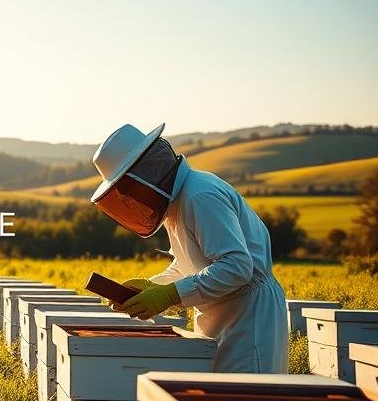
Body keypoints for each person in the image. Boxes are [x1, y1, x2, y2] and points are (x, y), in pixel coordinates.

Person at [89, 123, 288, 373]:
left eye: (129, 189)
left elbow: (237, 266)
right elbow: (190, 264)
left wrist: (169, 294)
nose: (132, 198)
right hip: (222, 313)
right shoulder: (178, 203)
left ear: (146, 172)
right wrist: (153, 287)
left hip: (249, 318)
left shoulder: (199, 196)